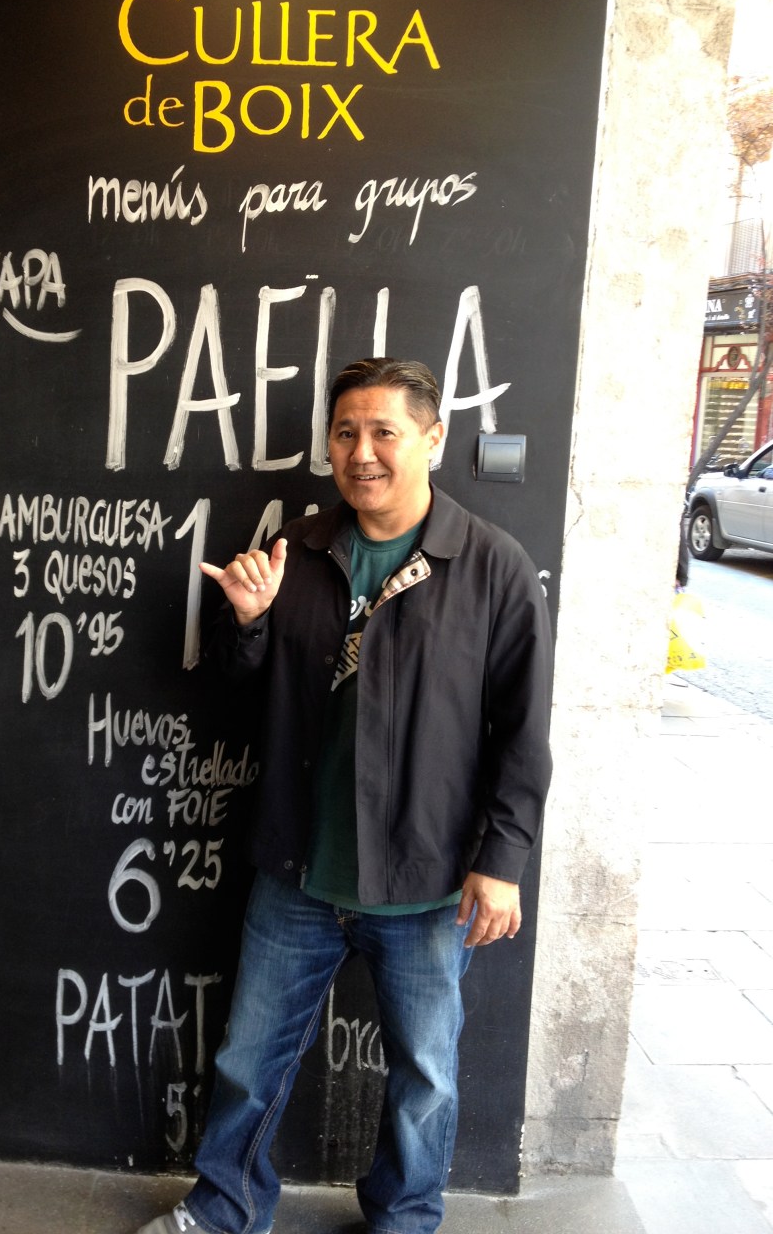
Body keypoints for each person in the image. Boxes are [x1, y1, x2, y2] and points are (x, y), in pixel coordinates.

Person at [136, 358, 554, 1234]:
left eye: (383, 433)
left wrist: (503, 862)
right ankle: (225, 1209)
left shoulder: (493, 567)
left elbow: (522, 734)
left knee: (425, 1078)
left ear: (432, 439)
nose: (361, 452)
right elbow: (239, 693)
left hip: (428, 882)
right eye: (345, 433)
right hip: (299, 871)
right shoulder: (300, 549)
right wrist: (246, 623)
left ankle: (405, 1219)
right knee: (249, 1061)